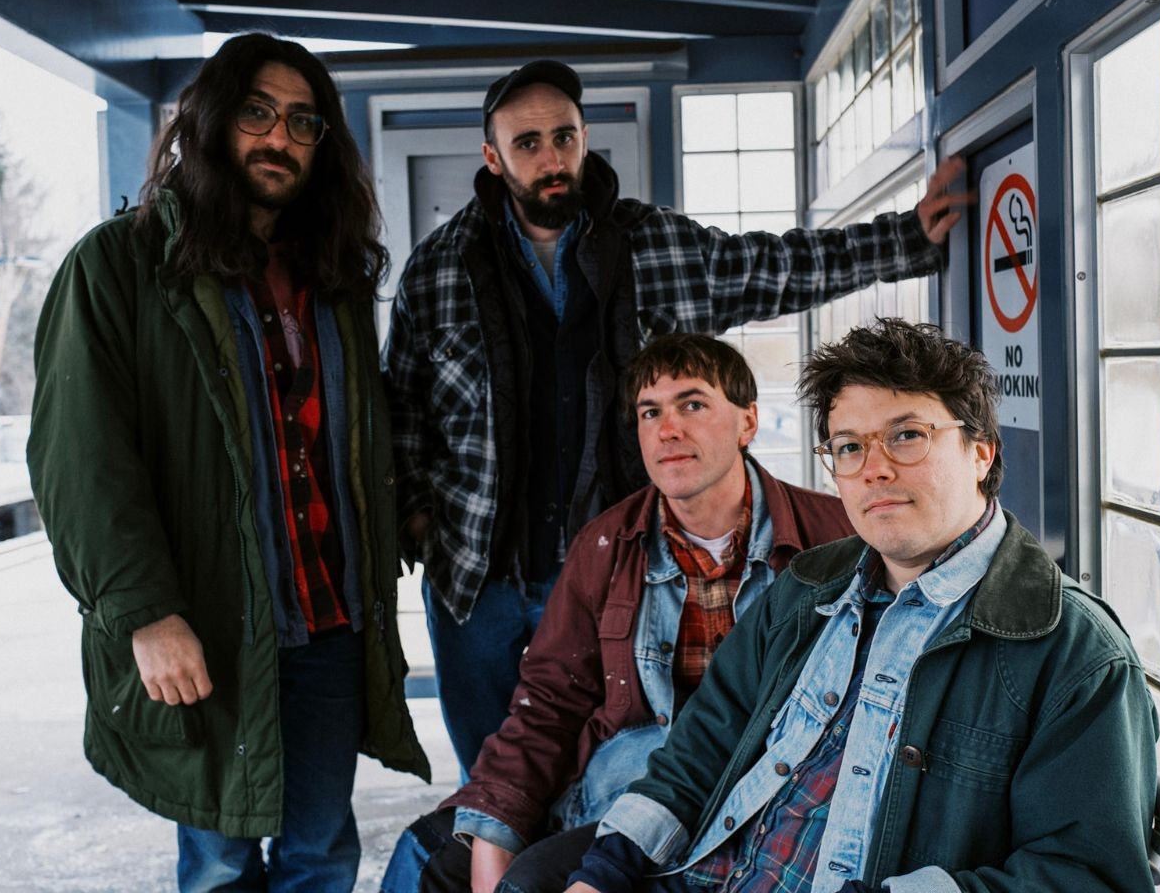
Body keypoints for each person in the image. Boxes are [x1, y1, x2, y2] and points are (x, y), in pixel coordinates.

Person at [384, 58, 972, 773]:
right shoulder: (436, 269)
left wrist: (907, 237)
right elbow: (404, 406)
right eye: (527, 143)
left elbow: (777, 266)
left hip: (619, 570)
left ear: (584, 137)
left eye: (563, 137)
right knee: (490, 772)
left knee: (606, 763)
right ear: (492, 156)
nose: (551, 158)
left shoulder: (657, 243)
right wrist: (416, 517)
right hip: (478, 576)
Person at [27, 32, 428, 892]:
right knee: (218, 862)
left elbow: (357, 442)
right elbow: (81, 463)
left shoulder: (335, 279)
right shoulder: (119, 265)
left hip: (328, 623)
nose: (278, 138)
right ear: (209, 121)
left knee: (322, 853)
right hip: (208, 624)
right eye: (257, 113)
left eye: (302, 122)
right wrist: (145, 614)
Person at [564, 318, 1159, 893]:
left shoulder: (1071, 651)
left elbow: (1086, 875)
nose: (873, 469)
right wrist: (608, 866)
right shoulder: (805, 589)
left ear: (981, 450)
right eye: (848, 447)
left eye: (906, 436)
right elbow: (702, 743)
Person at [381, 334, 855, 893]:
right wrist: (497, 821)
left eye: (693, 404)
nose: (668, 429)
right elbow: (549, 701)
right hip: (626, 788)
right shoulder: (607, 544)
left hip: (756, 798)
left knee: (531, 882)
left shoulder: (835, 535)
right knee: (428, 857)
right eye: (650, 412)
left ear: (747, 423)